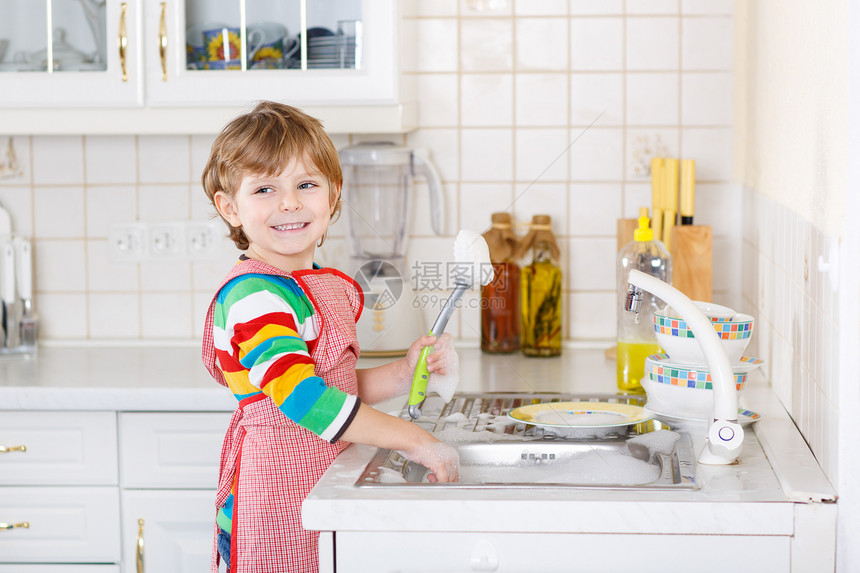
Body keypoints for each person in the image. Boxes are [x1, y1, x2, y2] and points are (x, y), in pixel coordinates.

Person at [200, 101, 460, 573]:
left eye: (306, 184)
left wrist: (403, 373)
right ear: (230, 208)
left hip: (321, 473)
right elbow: (304, 398)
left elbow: (332, 385)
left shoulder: (313, 281)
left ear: (333, 194)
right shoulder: (254, 296)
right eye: (265, 189)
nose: (290, 203)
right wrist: (412, 439)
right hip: (277, 494)